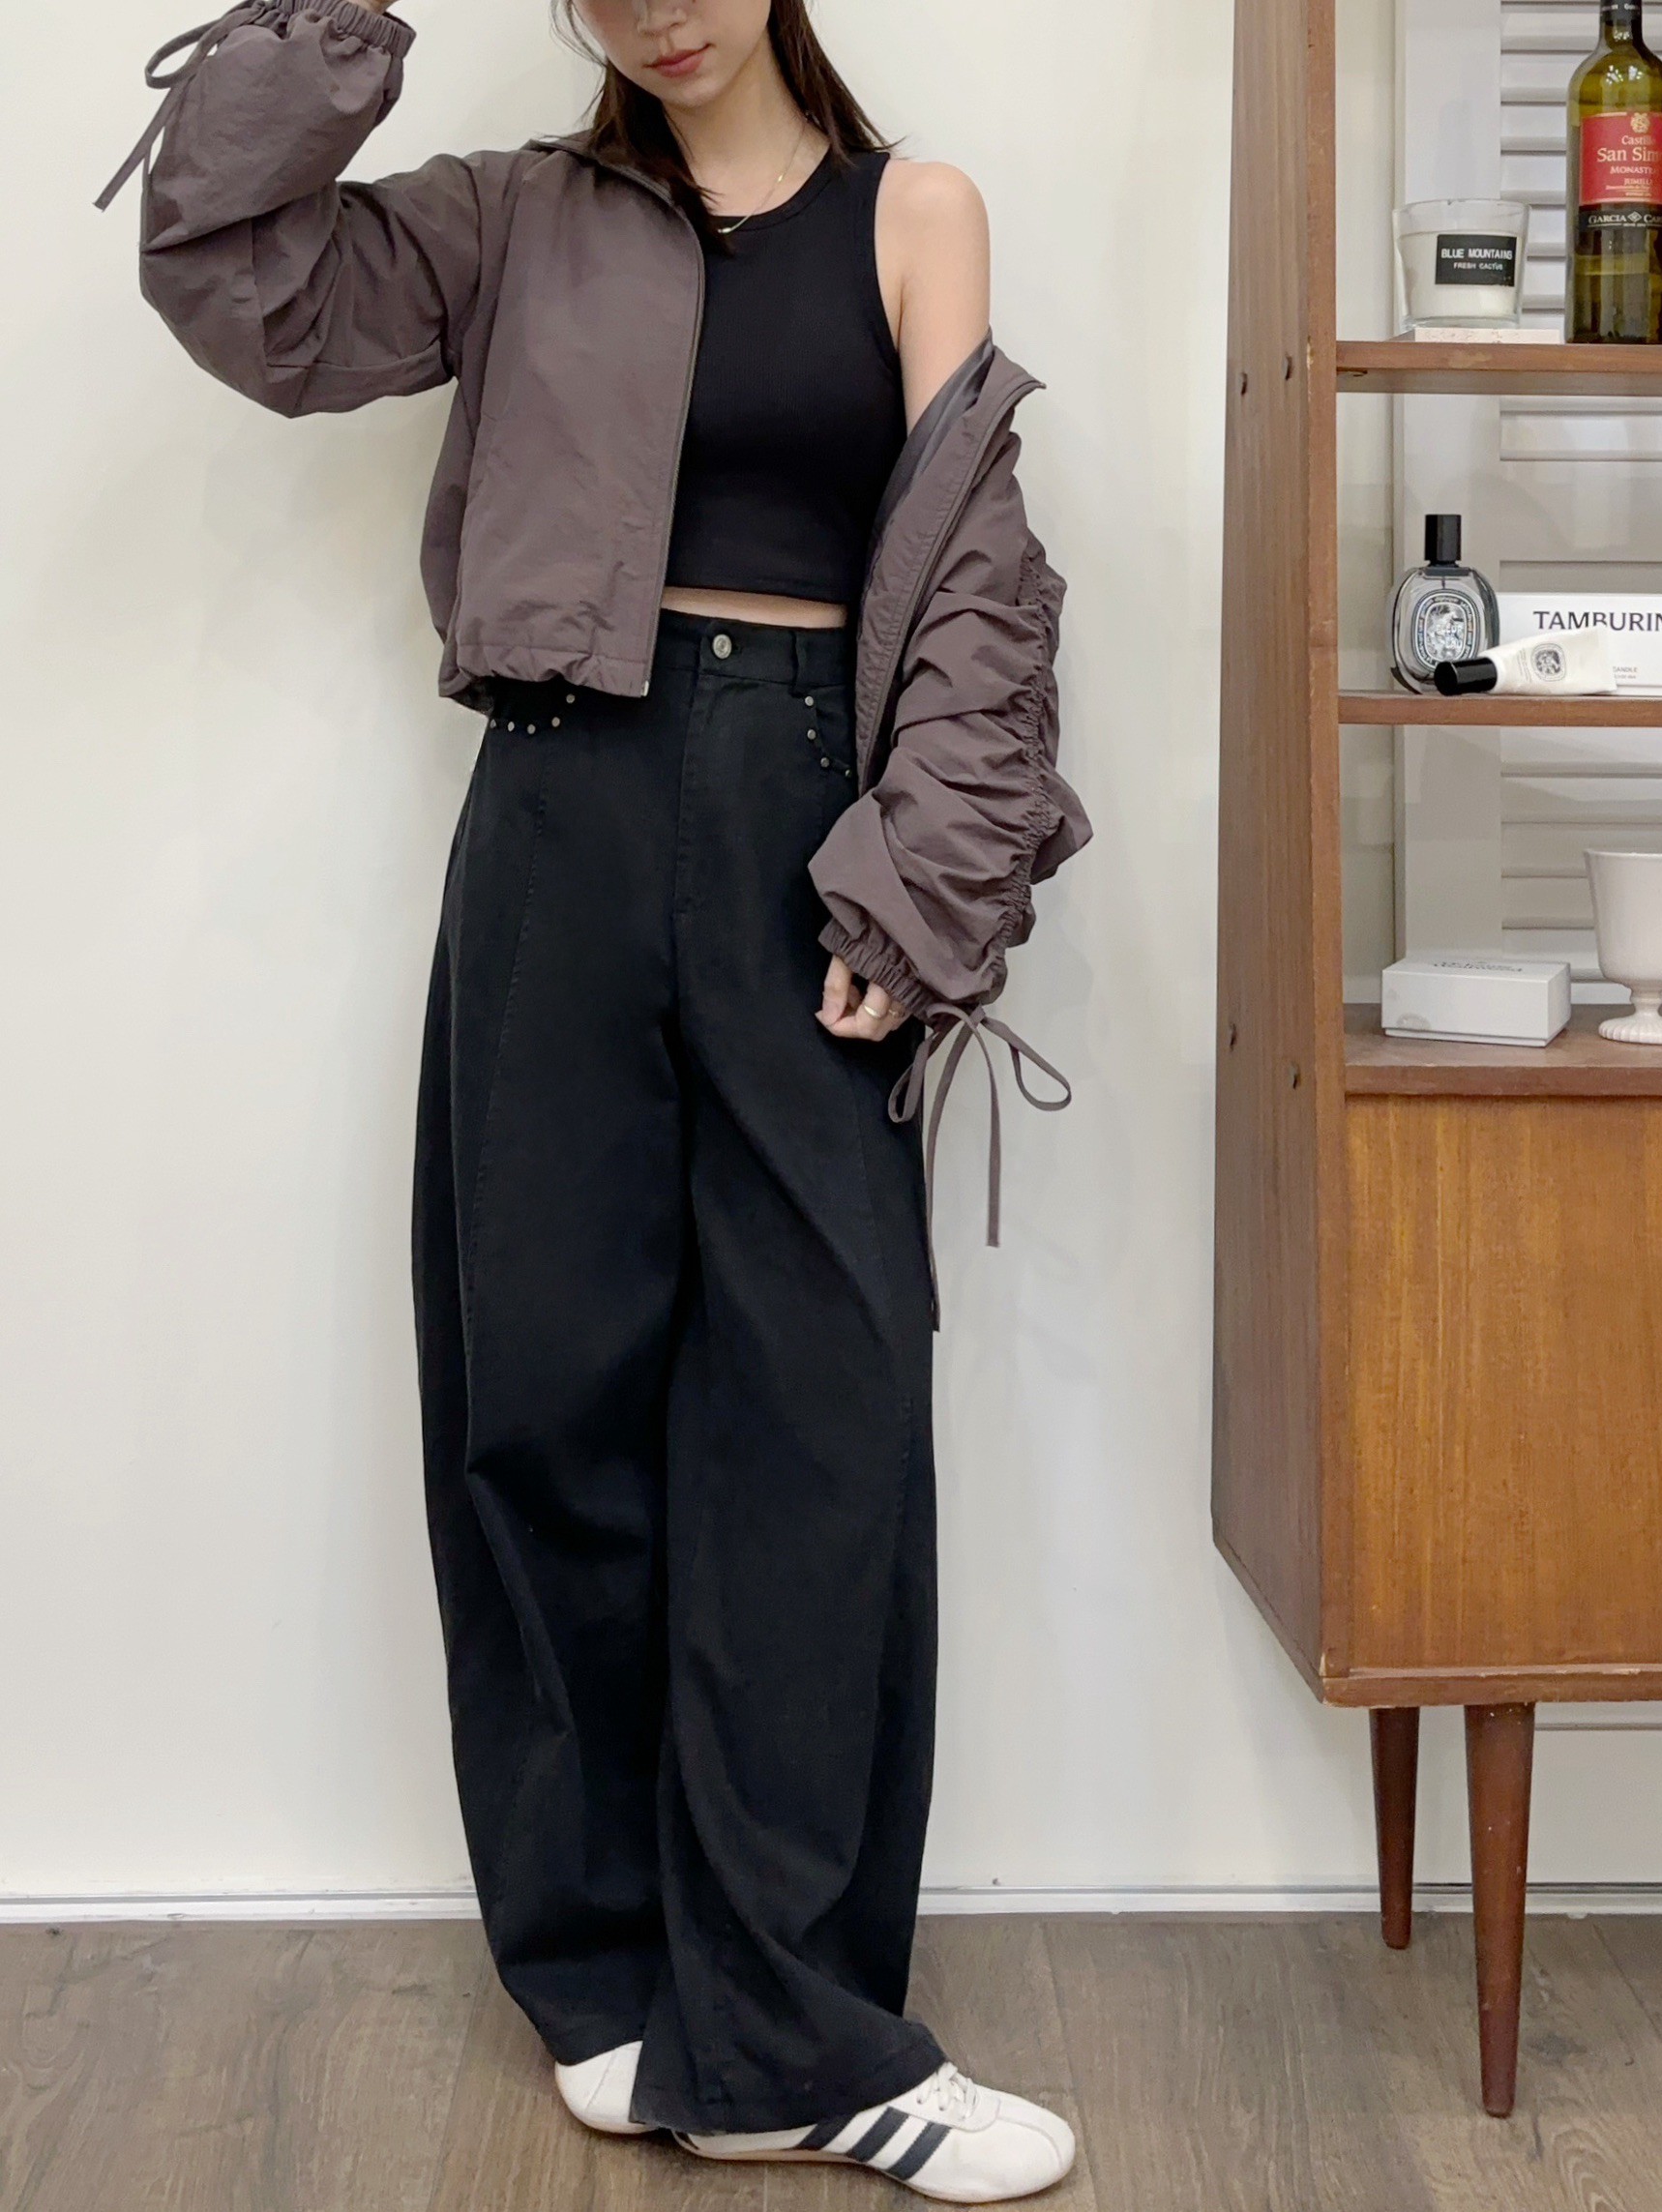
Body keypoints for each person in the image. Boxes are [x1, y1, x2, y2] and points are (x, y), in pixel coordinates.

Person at [104, 0, 1089, 2198]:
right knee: (543, 1403)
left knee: (820, 1420)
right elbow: (239, 285)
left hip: (808, 826)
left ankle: (794, 2028)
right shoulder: (513, 219)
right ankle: (611, 1983)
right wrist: (322, 29)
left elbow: (974, 575)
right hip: (561, 807)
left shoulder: (913, 214)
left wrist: (929, 878)